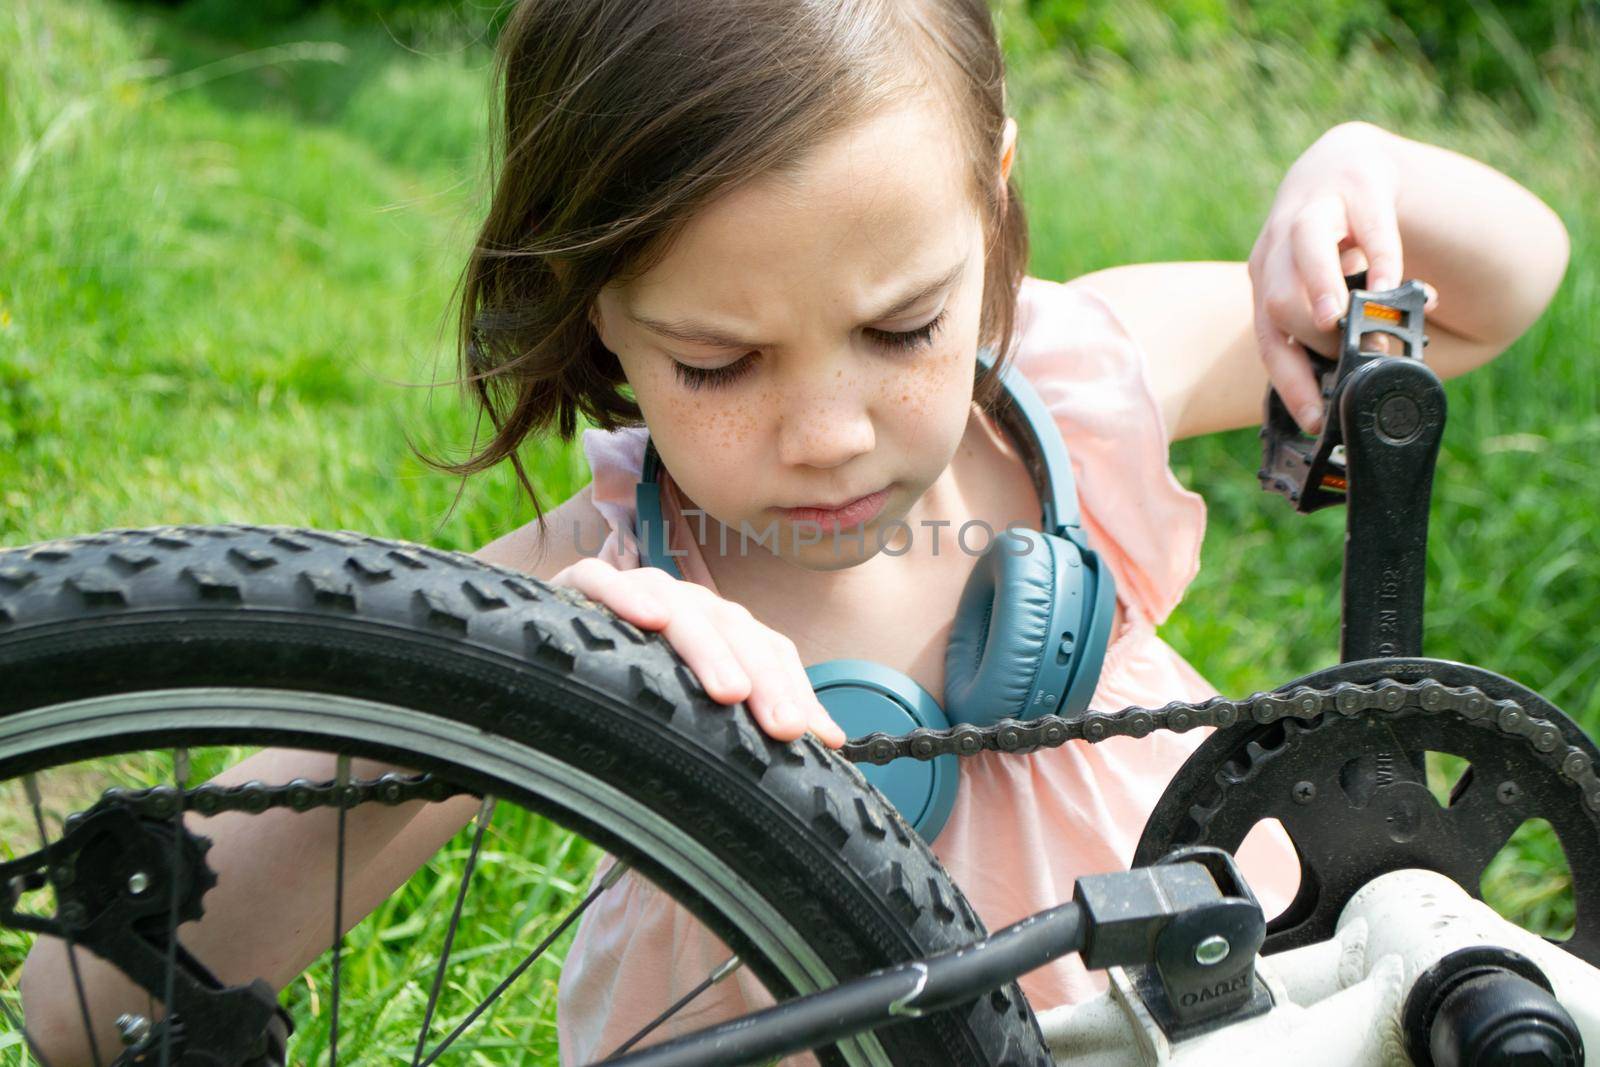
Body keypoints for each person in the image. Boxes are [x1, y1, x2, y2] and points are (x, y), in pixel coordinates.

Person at [20, 0, 1570, 1063]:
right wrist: (557, 677)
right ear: (596, 313)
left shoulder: (1071, 392)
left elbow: (1506, 291)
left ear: (993, 196)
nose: (830, 432)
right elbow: (90, 1009)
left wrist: (1366, 175)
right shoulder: (597, 589)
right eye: (717, 363)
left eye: (903, 326)